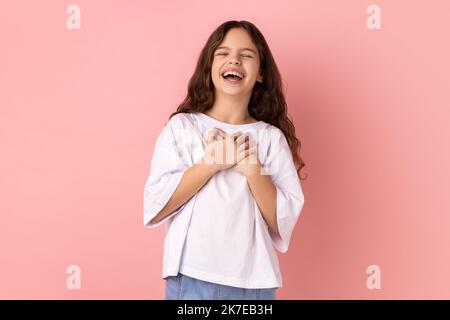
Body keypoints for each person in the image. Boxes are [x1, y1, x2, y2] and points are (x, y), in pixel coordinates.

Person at [143, 20, 306, 300]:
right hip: (191, 275)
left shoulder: (270, 138)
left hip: (254, 282)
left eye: (246, 55)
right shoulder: (183, 128)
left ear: (261, 73)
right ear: (210, 66)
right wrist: (212, 163)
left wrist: (254, 173)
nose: (234, 60)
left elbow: (283, 222)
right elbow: (156, 206)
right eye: (223, 53)